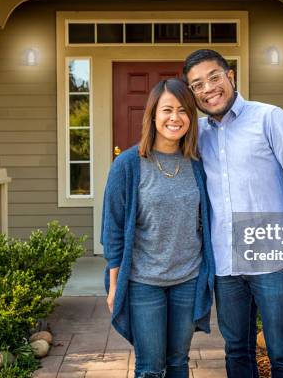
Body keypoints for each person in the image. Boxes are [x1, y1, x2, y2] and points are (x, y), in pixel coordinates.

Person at [183, 49, 283, 378]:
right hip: (226, 265)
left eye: (214, 77)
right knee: (237, 351)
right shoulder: (197, 134)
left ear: (230, 76)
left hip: (273, 259)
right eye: (197, 84)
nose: (208, 88)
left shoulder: (270, 118)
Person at [101, 78, 215, 378]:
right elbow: (112, 229)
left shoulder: (198, 164)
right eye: (167, 110)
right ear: (152, 115)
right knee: (150, 368)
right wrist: (114, 286)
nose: (174, 118)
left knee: (178, 362)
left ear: (191, 116)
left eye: (182, 110)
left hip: (188, 280)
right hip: (143, 282)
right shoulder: (128, 164)